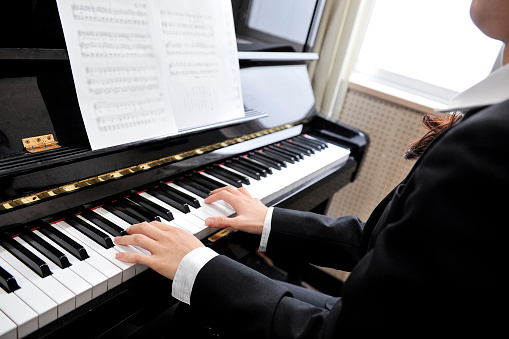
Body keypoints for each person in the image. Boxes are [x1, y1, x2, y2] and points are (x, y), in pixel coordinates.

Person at [114, 1, 509, 337]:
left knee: (193, 310)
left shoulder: (493, 141)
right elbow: (381, 242)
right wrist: (270, 220)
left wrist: (196, 266)